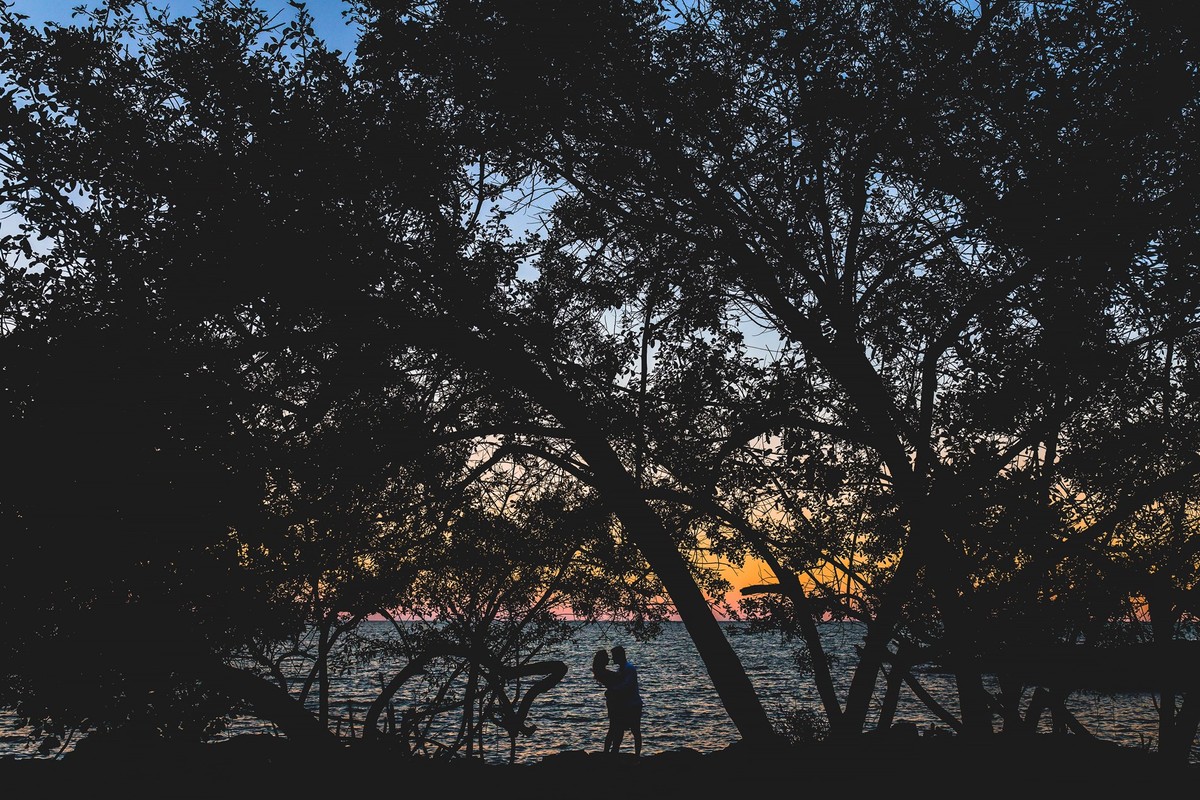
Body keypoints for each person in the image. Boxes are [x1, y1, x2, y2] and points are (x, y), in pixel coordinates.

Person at [609, 645, 644, 756]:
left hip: (633, 705)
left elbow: (626, 685)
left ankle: (637, 756)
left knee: (635, 731)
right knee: (621, 730)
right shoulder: (623, 669)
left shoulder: (629, 668)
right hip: (626, 705)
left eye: (614, 656)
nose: (612, 658)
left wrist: (613, 690)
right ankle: (616, 752)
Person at [591, 649, 621, 753]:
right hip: (614, 701)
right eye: (607, 657)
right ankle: (611, 751)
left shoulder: (602, 672)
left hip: (613, 700)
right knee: (615, 727)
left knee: (614, 727)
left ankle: (610, 751)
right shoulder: (604, 673)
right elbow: (617, 678)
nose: (609, 658)